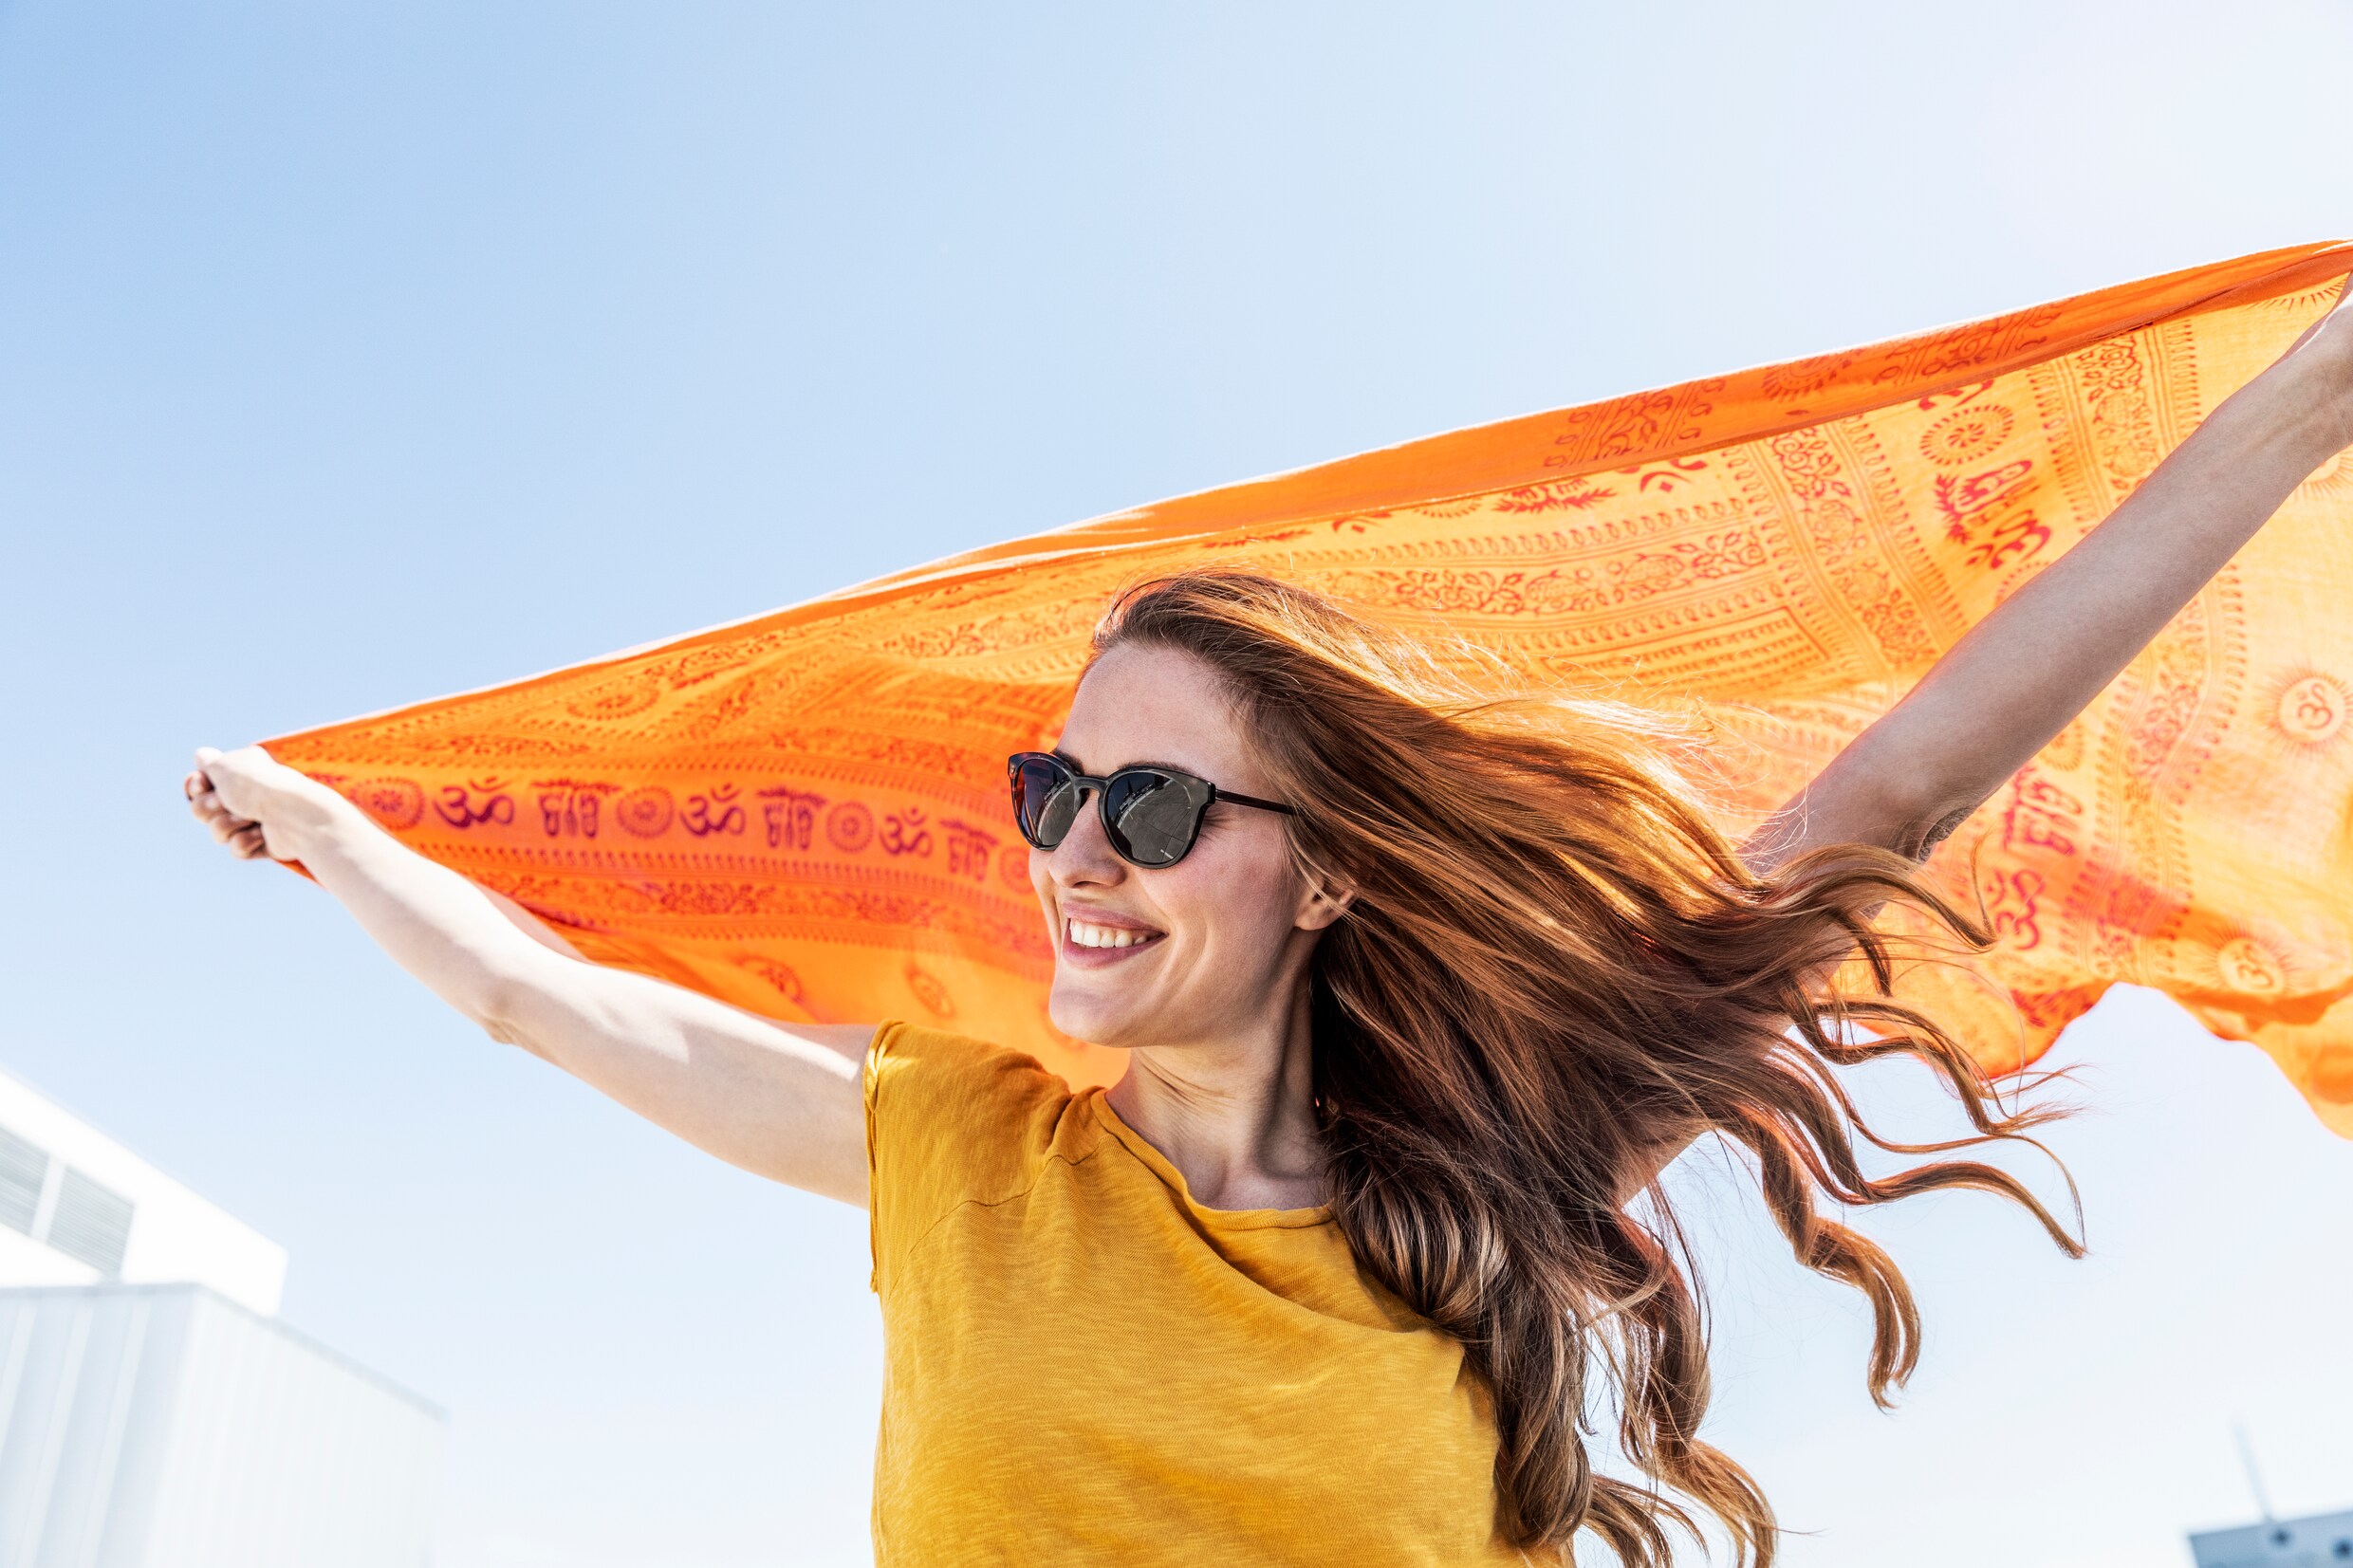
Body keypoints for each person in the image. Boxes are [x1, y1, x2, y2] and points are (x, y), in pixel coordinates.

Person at [189, 278, 2353, 1566]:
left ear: (1320, 873)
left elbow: (1892, 787)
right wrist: (328, 831)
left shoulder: (1495, 1180)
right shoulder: (955, 1151)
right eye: (1055, 793)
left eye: (1145, 800)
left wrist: (2308, 394)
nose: (1075, 851)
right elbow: (534, 999)